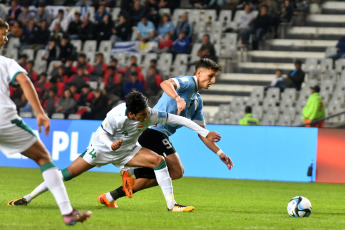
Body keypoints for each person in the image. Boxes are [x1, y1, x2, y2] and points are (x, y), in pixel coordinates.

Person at [8, 91, 221, 213]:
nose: (146, 117)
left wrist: (204, 131)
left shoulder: (150, 114)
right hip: (100, 150)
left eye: (147, 112)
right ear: (130, 114)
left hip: (127, 151)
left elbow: (179, 119)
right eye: (141, 114)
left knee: (158, 160)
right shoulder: (116, 116)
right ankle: (27, 197)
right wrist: (110, 144)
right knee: (66, 174)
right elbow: (100, 133)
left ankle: (171, 205)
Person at [100, 58, 233, 208]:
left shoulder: (197, 101)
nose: (213, 80)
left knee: (168, 172)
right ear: (199, 73)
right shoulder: (188, 82)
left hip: (158, 134)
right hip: (152, 131)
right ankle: (137, 178)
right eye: (210, 76)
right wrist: (177, 98)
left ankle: (110, 196)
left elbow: (202, 132)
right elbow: (165, 83)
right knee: (176, 171)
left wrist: (220, 153)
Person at [0, 18, 91, 225]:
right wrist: (40, 113)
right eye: (3, 33)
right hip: (4, 119)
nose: (6, 38)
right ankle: (68, 213)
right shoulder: (6, 63)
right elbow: (24, 80)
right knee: (44, 158)